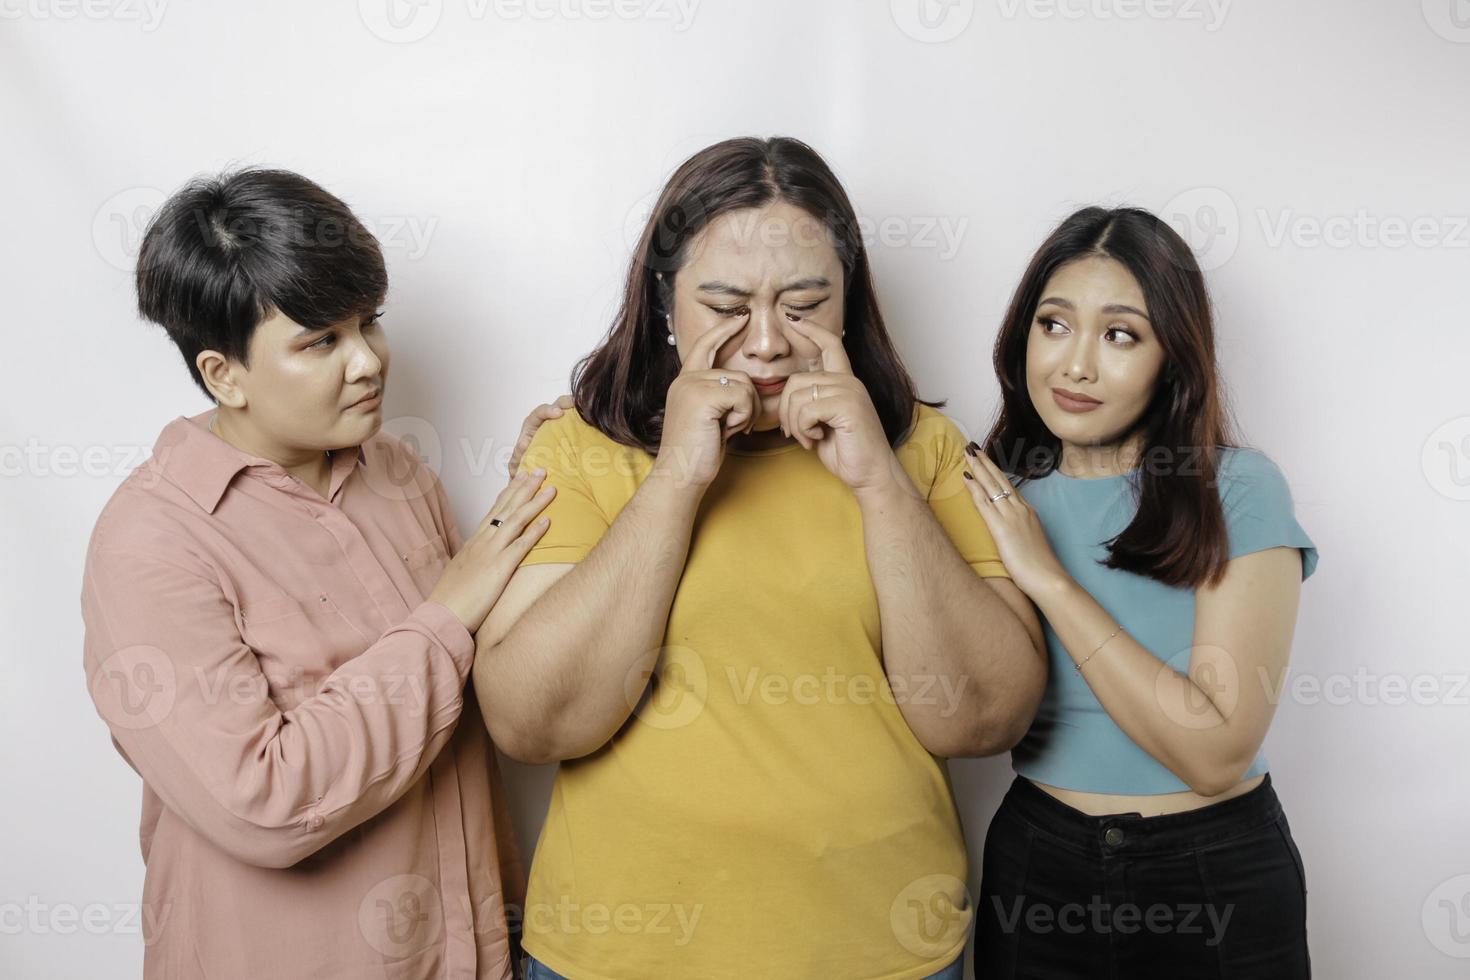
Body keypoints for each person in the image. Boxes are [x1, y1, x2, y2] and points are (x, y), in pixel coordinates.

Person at [472, 136, 1048, 980]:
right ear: (666, 305)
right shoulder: (577, 449)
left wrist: (878, 485)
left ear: (849, 305)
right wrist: (675, 479)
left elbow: (983, 720)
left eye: (806, 304)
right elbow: (532, 722)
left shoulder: (925, 451)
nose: (770, 341)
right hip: (617, 957)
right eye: (727, 304)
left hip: (880, 952)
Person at [80, 167, 563, 979]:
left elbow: (486, 678)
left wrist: (554, 480)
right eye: (320, 342)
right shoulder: (150, 544)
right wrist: (444, 620)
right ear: (222, 373)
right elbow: (262, 803)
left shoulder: (400, 472)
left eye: (369, 323)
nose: (369, 361)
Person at [959, 207, 1317, 978]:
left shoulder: (1236, 490)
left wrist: (1049, 579)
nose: (1075, 365)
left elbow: (1217, 753)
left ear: (1172, 358)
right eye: (1054, 325)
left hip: (1210, 869)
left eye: (1120, 334)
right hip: (1038, 862)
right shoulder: (993, 494)